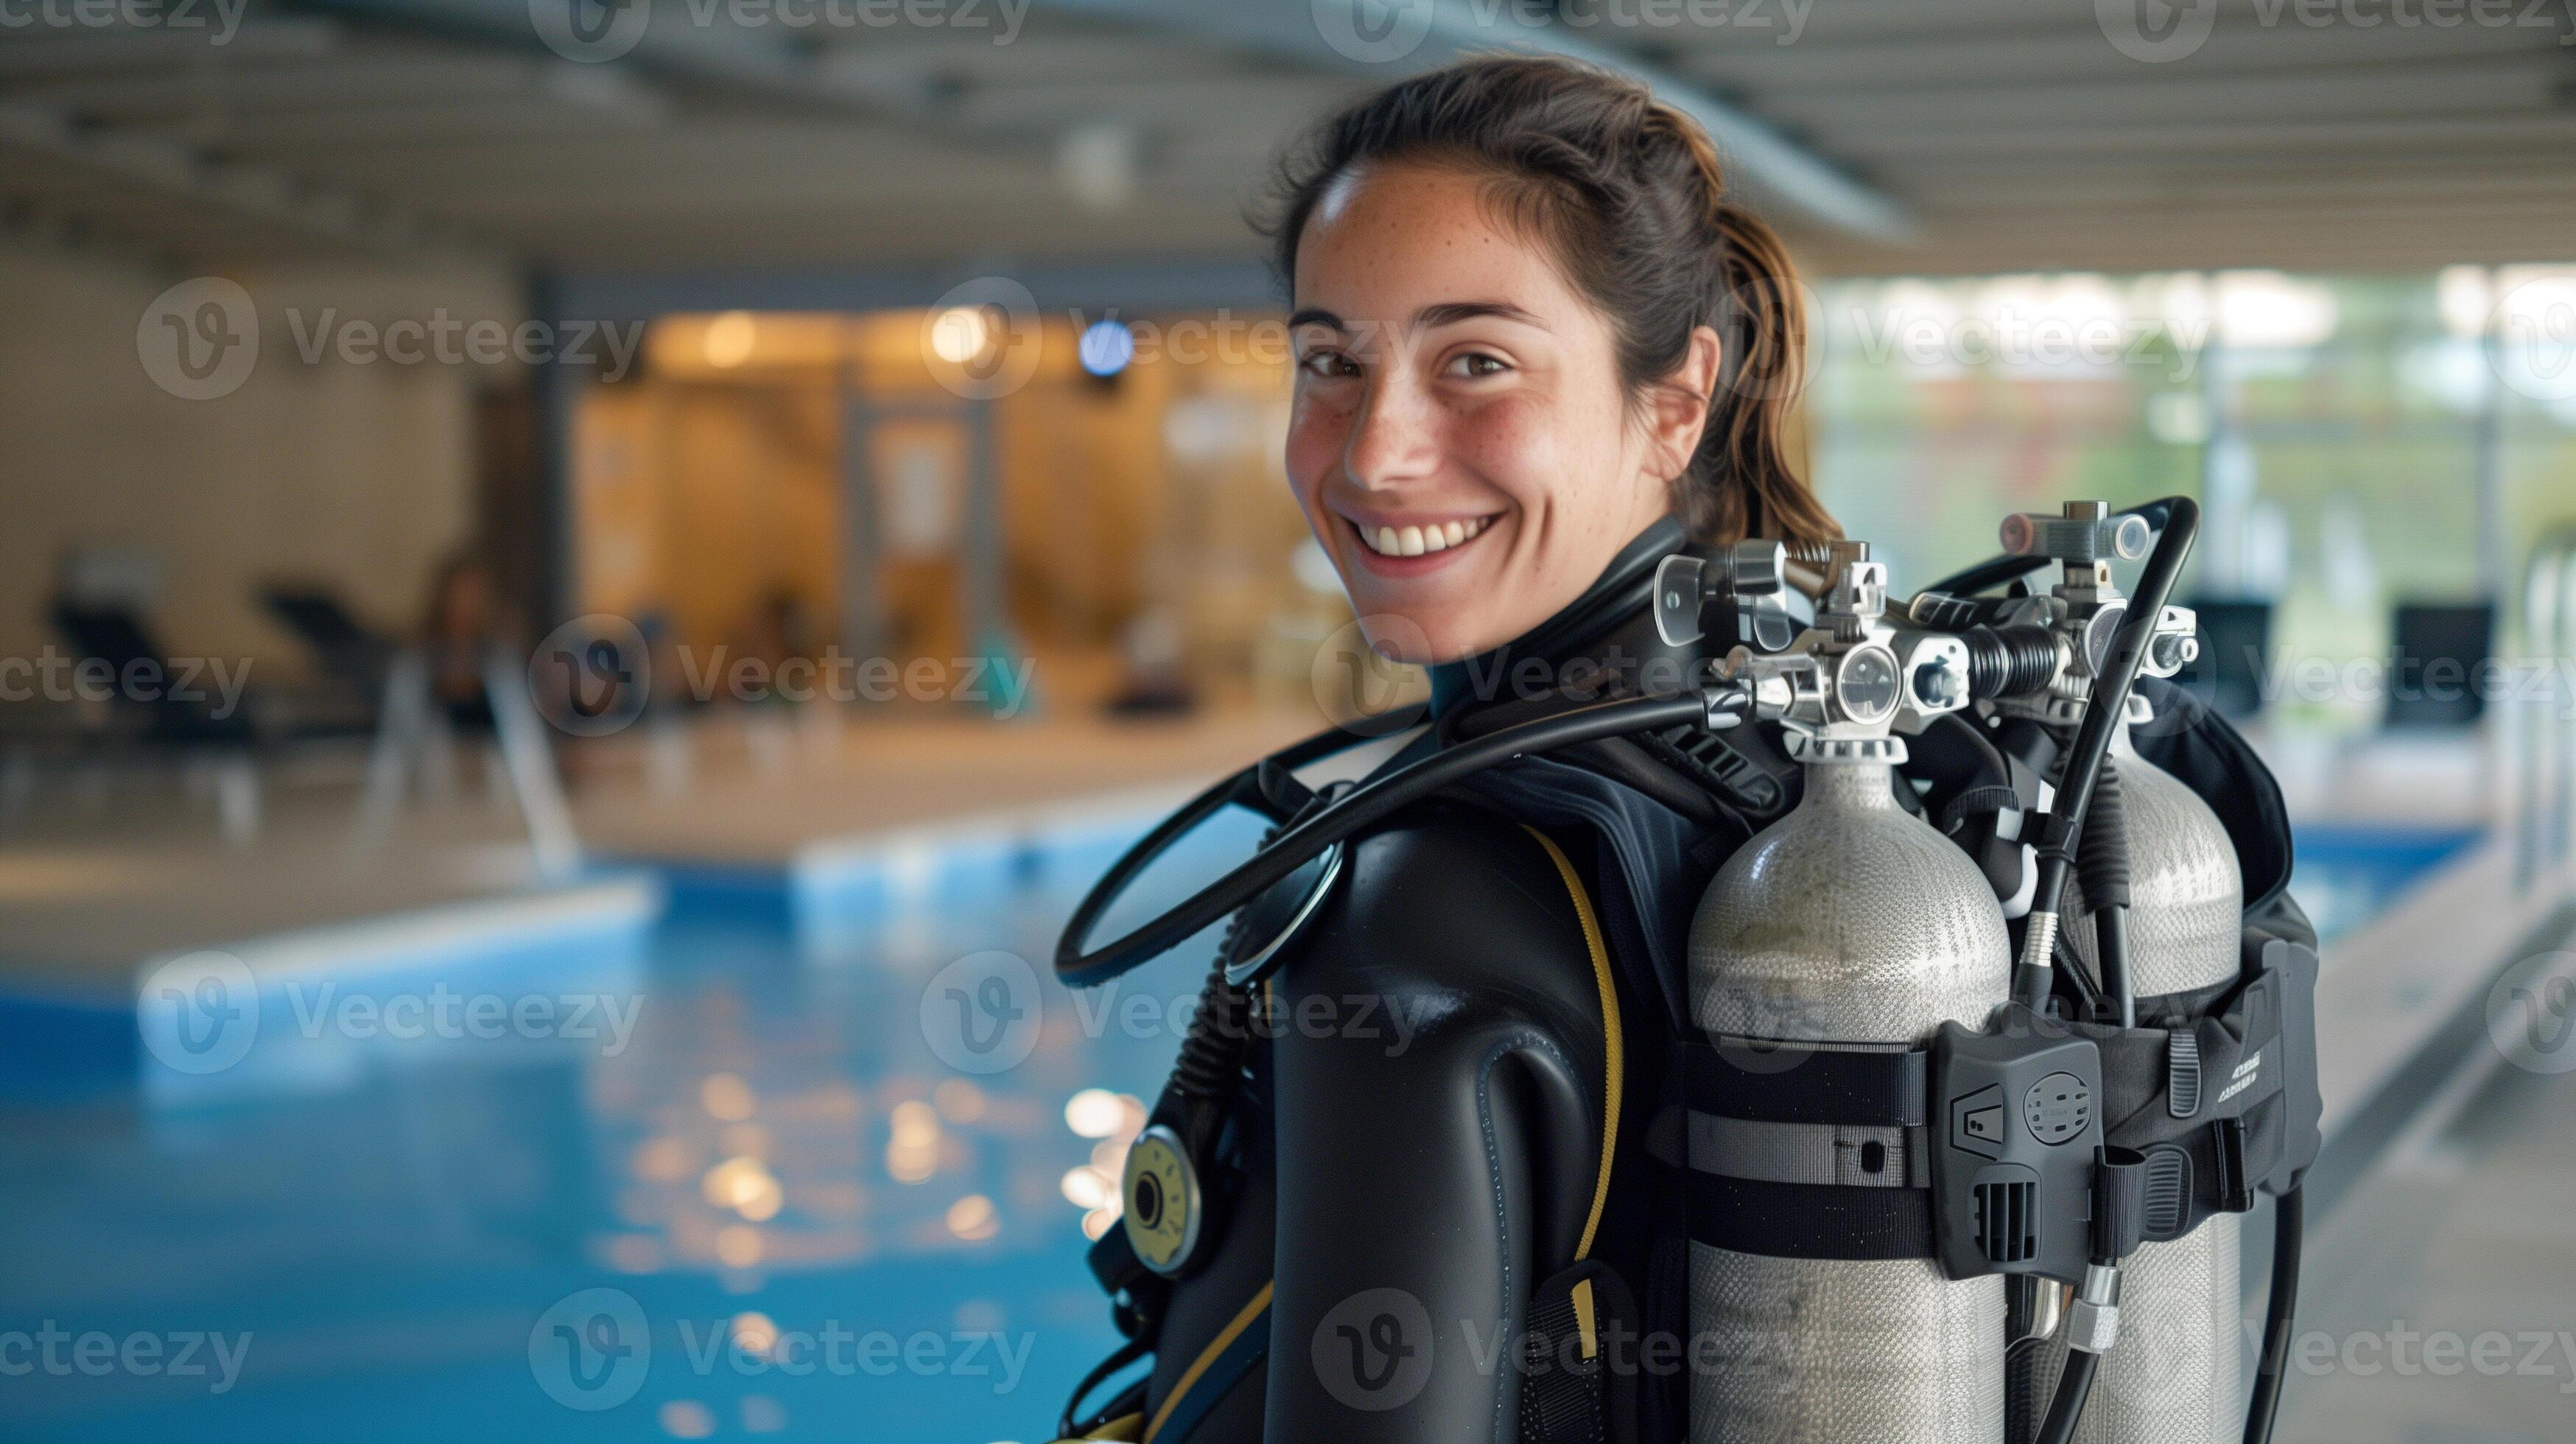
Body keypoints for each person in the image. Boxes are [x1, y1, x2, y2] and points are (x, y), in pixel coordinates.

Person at [1058, 57, 1833, 1443]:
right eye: (1329, 364)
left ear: (1673, 403)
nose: (1373, 457)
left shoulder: (1420, 917)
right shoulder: (1776, 771)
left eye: (1474, 362)